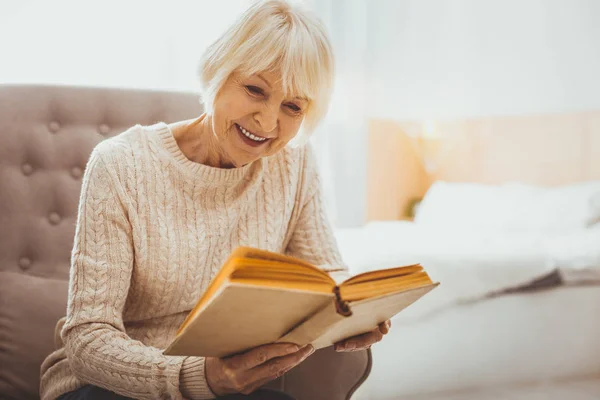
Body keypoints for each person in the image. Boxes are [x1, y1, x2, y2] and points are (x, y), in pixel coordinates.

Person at [39, 1, 391, 399]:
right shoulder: (121, 164)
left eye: (292, 107)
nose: (268, 123)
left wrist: (355, 314)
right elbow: (88, 339)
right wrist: (197, 378)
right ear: (218, 71)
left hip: (227, 387)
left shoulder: (293, 163)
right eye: (255, 90)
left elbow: (326, 275)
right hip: (112, 386)